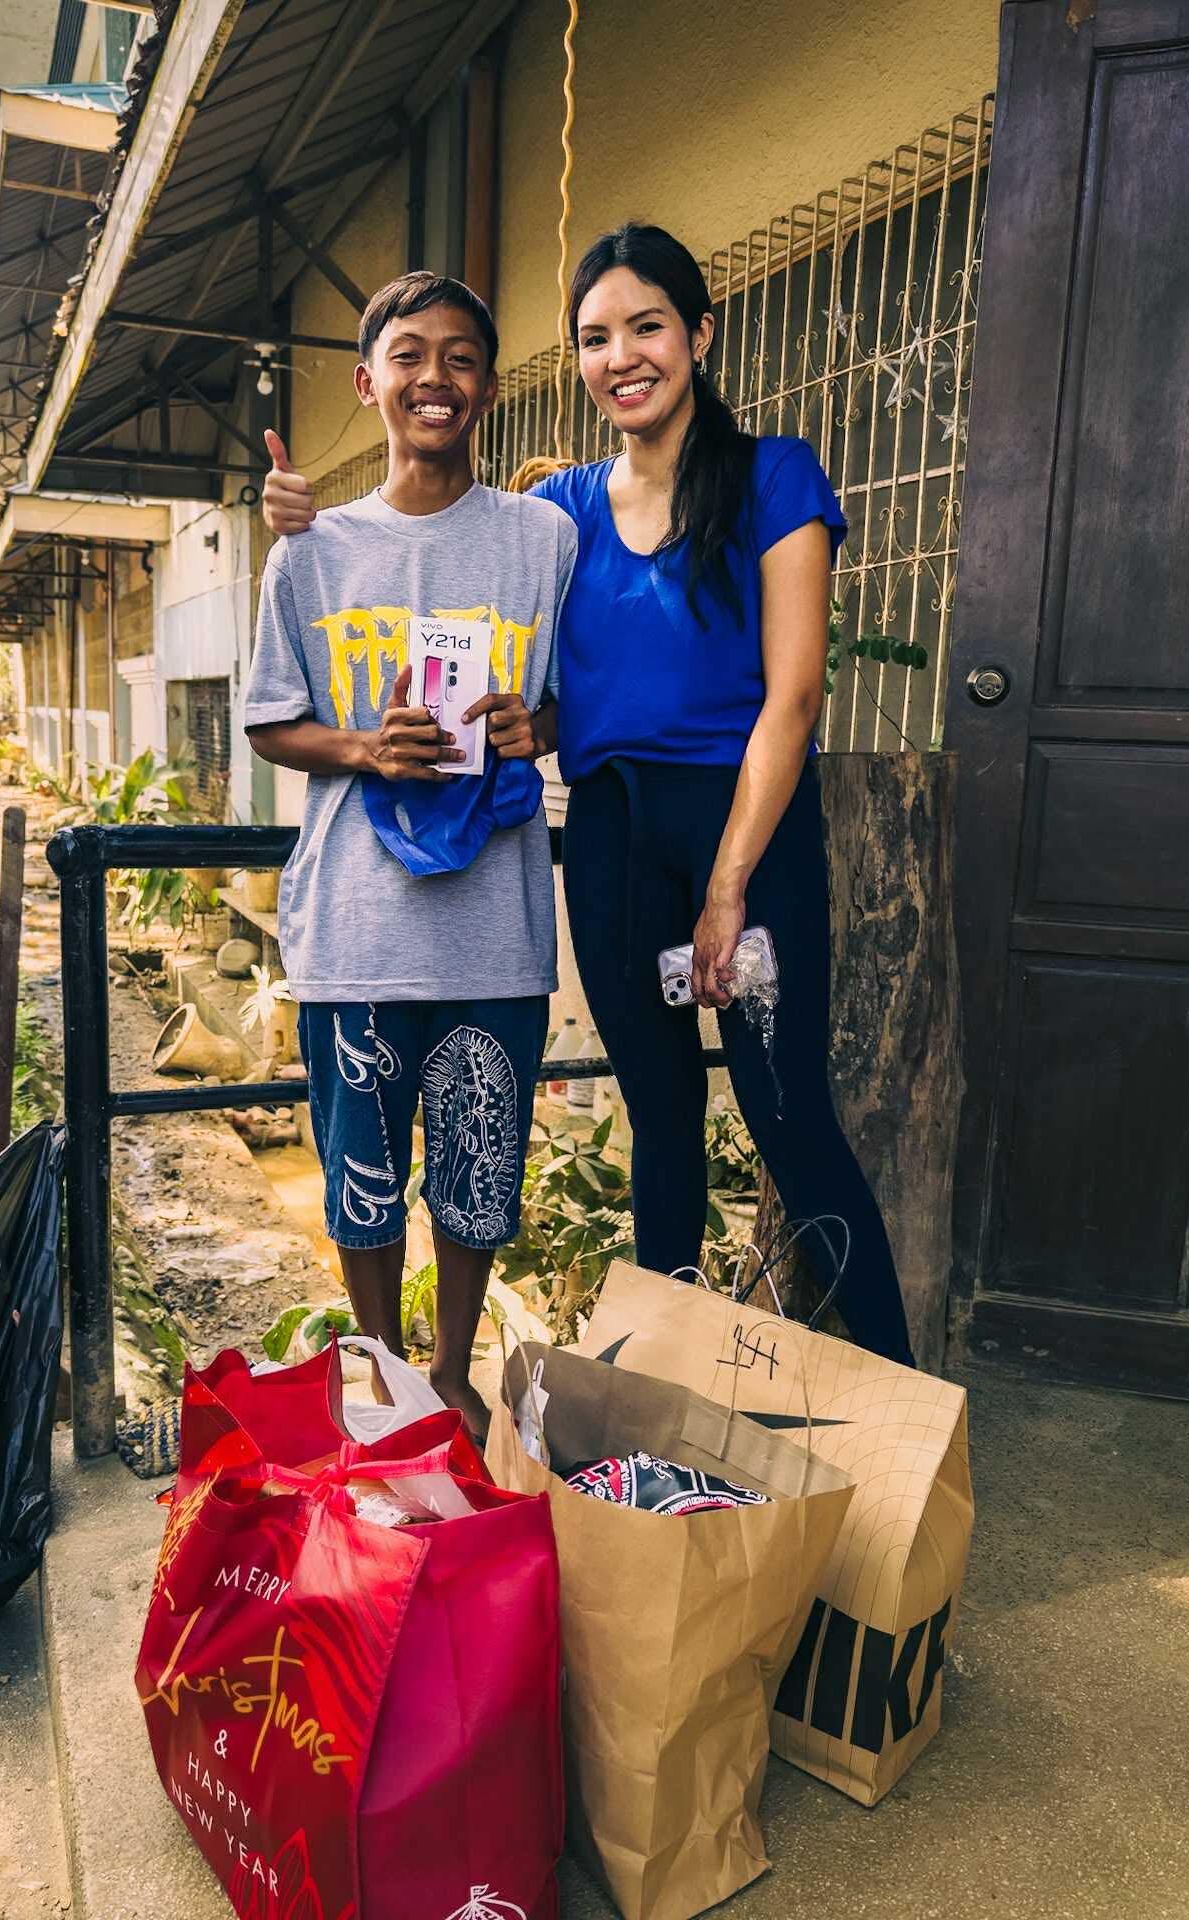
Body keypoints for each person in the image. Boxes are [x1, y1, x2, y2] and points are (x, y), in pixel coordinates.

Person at [260, 227, 914, 1368]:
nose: (624, 356)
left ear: (699, 335)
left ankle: (906, 1398)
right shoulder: (561, 508)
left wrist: (728, 889)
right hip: (610, 835)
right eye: (595, 337)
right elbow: (540, 674)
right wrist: (300, 519)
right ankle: (652, 1411)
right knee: (662, 1124)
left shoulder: (773, 476)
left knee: (790, 1123)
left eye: (648, 326)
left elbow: (796, 696)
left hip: (744, 834)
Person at [244, 270, 577, 1439]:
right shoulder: (313, 549)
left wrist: (547, 728)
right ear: (369, 381)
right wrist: (363, 747)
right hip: (359, 927)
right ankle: (382, 1375)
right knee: (363, 1181)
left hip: (496, 929)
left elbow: (585, 695)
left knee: (481, 1178)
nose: (435, 376)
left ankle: (451, 1376)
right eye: (411, 355)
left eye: (462, 358)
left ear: (488, 386)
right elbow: (272, 719)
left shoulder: (544, 539)